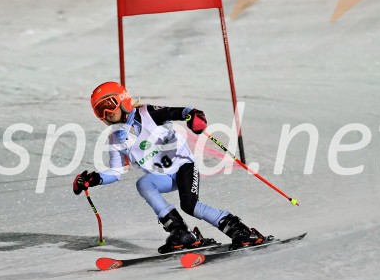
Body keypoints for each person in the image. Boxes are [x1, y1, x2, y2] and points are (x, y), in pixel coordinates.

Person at [73, 81, 271, 254]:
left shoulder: (148, 113)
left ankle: (242, 232)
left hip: (183, 166)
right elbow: (116, 172)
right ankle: (180, 233)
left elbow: (182, 112)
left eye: (109, 105)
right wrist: (94, 179)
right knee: (143, 184)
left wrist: (195, 116)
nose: (107, 113)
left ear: (123, 100)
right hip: (162, 177)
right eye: (100, 110)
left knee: (190, 205)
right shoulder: (115, 138)